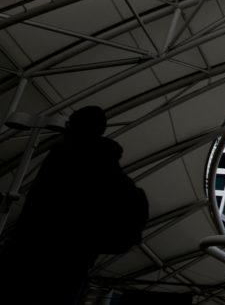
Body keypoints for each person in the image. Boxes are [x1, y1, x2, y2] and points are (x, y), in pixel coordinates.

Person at [0, 105, 149, 303]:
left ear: (75, 126)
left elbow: (37, 208)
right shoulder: (113, 175)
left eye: (70, 124)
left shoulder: (63, 156)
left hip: (30, 258)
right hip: (70, 266)